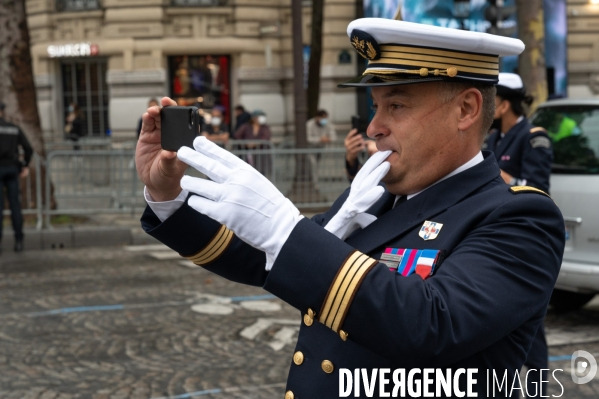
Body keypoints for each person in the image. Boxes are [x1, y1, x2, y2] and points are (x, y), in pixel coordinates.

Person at [136, 19, 565, 398]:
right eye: (375, 106)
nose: (375, 127)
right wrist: (169, 198)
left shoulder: (520, 217)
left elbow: (431, 324)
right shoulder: (376, 196)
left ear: (466, 109)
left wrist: (287, 230)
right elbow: (267, 259)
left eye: (395, 106)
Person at [484, 73, 554, 397]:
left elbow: (538, 188)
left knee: (531, 324)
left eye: (493, 100)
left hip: (526, 237)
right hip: (496, 233)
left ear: (504, 103)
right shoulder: (496, 138)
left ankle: (539, 388)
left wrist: (499, 175)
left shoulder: (533, 137)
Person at [484, 73, 553, 192]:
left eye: (490, 103)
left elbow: (537, 190)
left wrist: (495, 175)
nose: (485, 109)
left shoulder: (533, 137)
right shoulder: (494, 136)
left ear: (504, 106)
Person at [0, 102, 33, 253]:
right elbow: (28, 148)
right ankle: (19, 241)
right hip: (13, 169)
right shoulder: (13, 128)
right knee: (15, 206)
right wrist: (23, 165)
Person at [234, 110, 272, 176]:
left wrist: (255, 144)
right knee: (249, 173)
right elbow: (237, 135)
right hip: (248, 154)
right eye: (260, 116)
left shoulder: (265, 127)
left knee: (261, 175)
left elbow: (266, 137)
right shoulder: (246, 126)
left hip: (262, 155)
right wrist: (244, 144)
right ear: (254, 118)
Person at [306, 109, 337, 185]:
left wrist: (327, 139)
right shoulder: (309, 124)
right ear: (317, 117)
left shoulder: (328, 124)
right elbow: (308, 138)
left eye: (325, 118)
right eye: (322, 118)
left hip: (321, 149)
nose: (324, 120)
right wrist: (320, 139)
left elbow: (334, 137)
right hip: (310, 149)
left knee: (318, 166)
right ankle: (314, 183)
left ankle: (316, 183)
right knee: (313, 165)